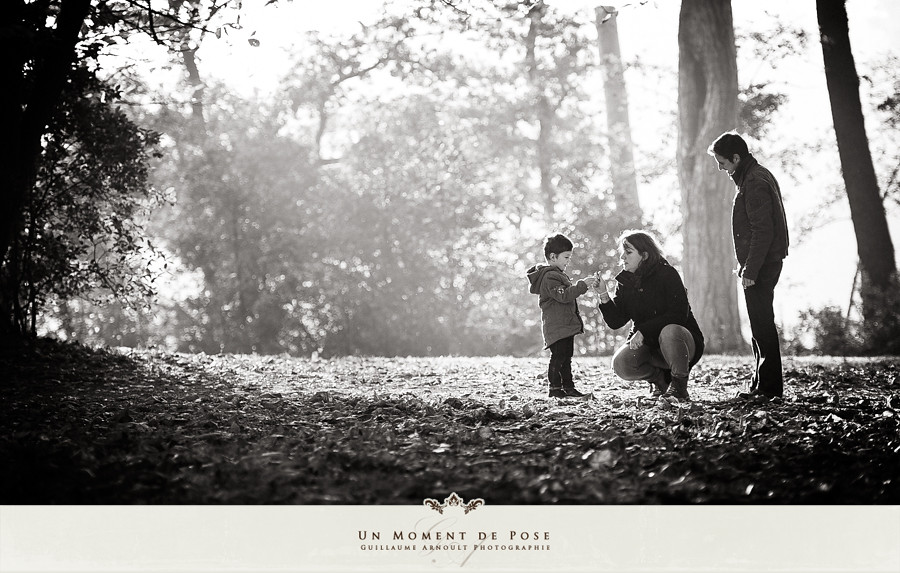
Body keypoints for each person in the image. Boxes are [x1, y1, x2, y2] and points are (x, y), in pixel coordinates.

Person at [708, 131, 789, 401]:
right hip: (762, 263)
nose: (721, 168)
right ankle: (761, 385)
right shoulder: (753, 176)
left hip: (762, 266)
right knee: (759, 325)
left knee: (762, 325)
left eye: (723, 162)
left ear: (736, 157)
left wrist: (750, 271)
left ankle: (768, 388)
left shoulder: (754, 182)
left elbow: (762, 231)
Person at [594, 230, 705, 403]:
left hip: (682, 342)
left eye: (628, 252)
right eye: (622, 252)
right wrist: (603, 295)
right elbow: (616, 321)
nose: (622, 257)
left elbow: (677, 315)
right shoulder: (626, 281)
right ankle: (660, 380)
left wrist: (644, 331)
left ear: (644, 255)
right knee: (621, 364)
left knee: (669, 331)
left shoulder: (667, 274)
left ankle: (679, 387)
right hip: (650, 345)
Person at [527, 233, 600, 398]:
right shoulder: (549, 277)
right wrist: (582, 285)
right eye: (566, 257)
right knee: (558, 357)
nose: (568, 261)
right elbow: (564, 295)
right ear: (553, 257)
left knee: (566, 358)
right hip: (556, 327)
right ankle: (554, 388)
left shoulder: (557, 275)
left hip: (564, 326)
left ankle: (568, 387)